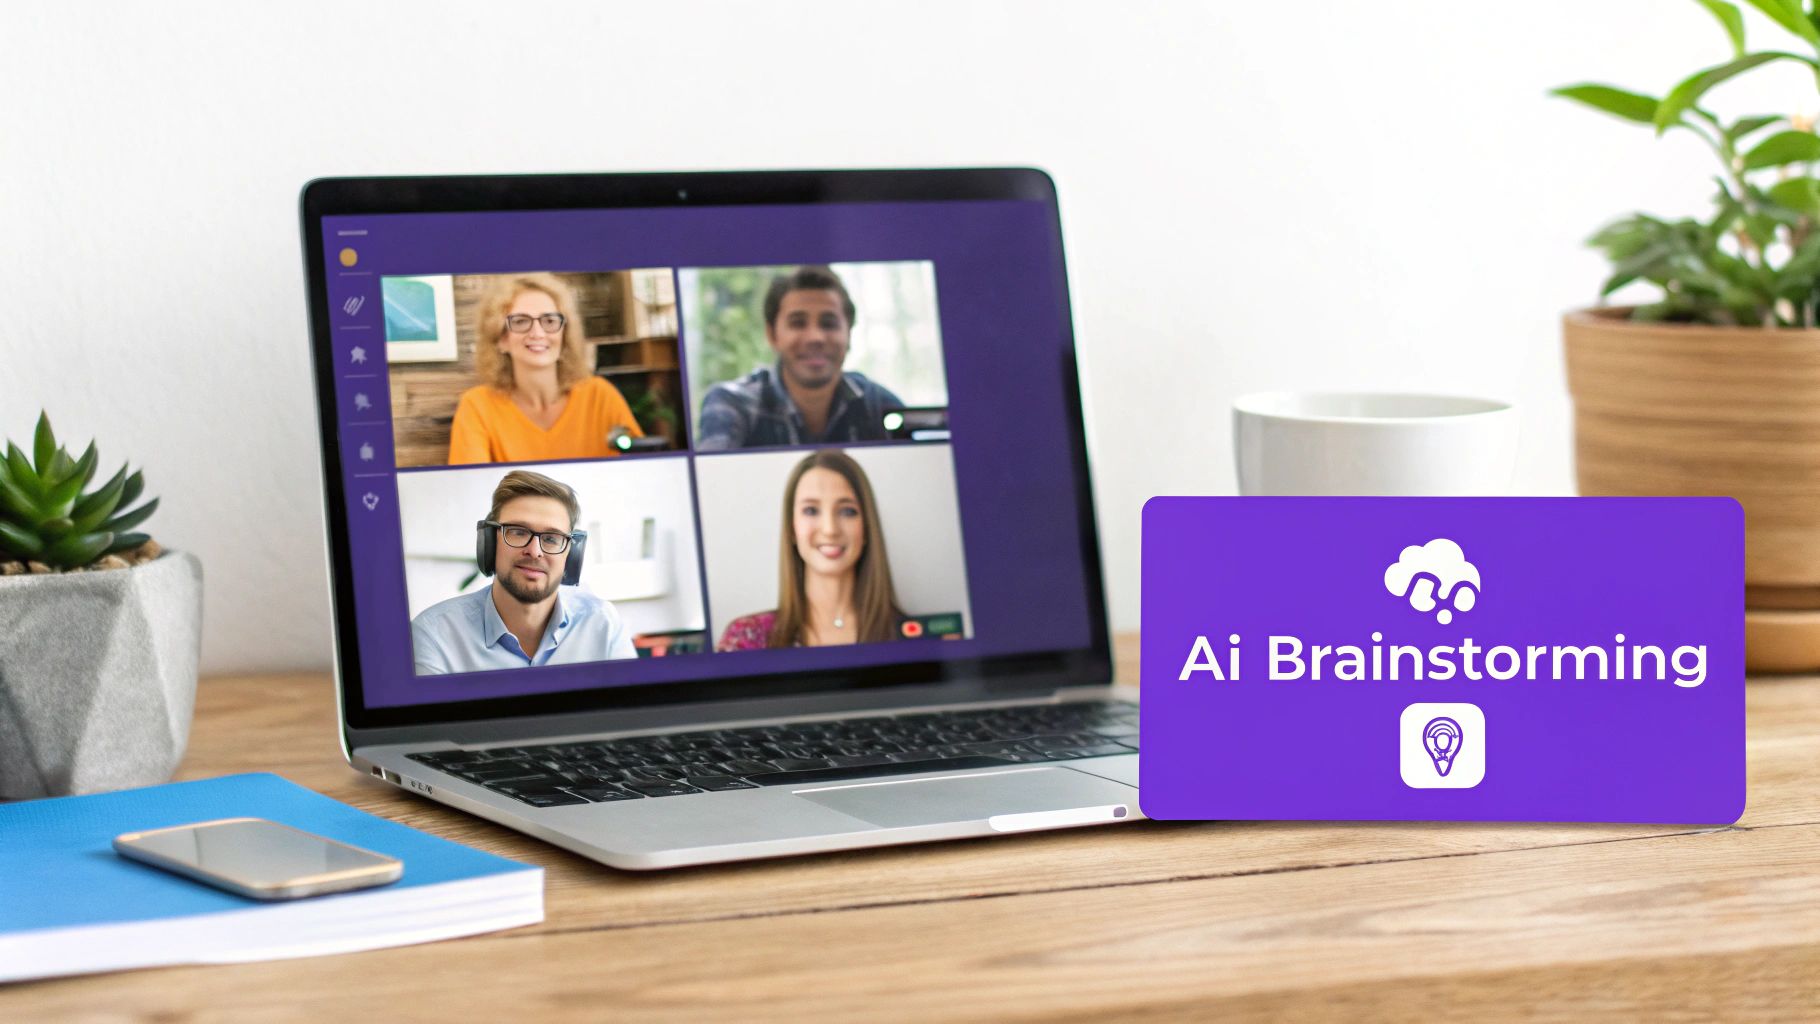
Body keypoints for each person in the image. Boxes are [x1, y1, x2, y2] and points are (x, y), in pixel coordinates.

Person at [412, 470, 637, 674]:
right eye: (518, 532)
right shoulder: (434, 635)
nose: (534, 551)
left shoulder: (602, 624)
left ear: (571, 553)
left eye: (551, 538)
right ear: (489, 542)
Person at [697, 266, 905, 450]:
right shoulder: (733, 404)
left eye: (828, 323)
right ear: (772, 335)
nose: (815, 337)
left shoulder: (878, 404)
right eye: (798, 323)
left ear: (849, 334)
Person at [717, 450, 906, 651]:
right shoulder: (747, 639)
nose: (830, 529)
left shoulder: (910, 636)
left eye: (847, 511)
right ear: (791, 529)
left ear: (867, 527)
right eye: (811, 510)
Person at [447, 273, 644, 464]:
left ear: (565, 335)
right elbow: (472, 489)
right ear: (501, 339)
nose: (538, 333)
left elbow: (638, 474)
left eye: (550, 321)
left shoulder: (600, 396)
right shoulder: (477, 406)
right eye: (521, 321)